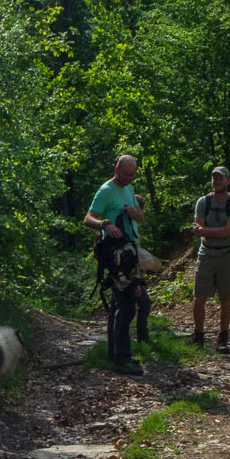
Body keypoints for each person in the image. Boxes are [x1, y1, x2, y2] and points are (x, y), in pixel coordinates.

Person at [83, 155, 153, 373]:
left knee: (120, 306)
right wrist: (104, 224)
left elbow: (139, 220)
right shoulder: (106, 191)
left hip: (129, 254)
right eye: (126, 174)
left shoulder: (130, 189)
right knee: (126, 306)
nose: (129, 178)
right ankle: (121, 358)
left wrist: (136, 212)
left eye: (132, 175)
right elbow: (88, 218)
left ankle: (117, 355)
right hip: (115, 257)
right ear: (116, 169)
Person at [191, 165, 230, 352]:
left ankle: (223, 337)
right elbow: (198, 229)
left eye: (220, 178)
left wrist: (206, 231)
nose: (217, 181)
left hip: (227, 254)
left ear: (227, 181)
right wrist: (215, 232)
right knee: (199, 296)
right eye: (214, 178)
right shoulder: (203, 202)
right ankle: (198, 335)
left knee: (225, 297)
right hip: (206, 253)